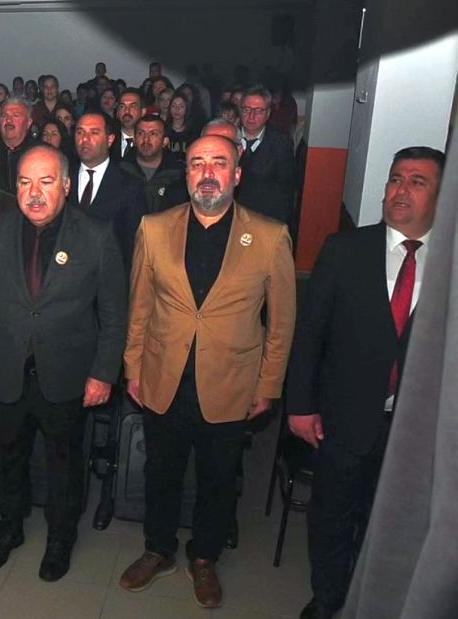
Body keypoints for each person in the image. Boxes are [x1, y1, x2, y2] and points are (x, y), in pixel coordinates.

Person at [119, 135, 296, 609]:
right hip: (164, 377)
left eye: (219, 163)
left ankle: (205, 557)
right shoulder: (154, 228)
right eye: (197, 164)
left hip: (231, 383)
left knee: (218, 479)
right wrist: (133, 367)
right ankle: (158, 549)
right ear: (187, 175)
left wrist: (269, 384)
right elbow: (139, 307)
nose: (207, 173)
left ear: (237, 174)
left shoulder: (270, 236)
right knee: (161, 472)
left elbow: (281, 323)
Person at [286, 146, 444, 619]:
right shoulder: (345, 250)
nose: (401, 190)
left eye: (417, 182)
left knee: (392, 524)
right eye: (396, 179)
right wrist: (301, 405)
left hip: (417, 432)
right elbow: (310, 333)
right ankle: (328, 599)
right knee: (332, 516)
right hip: (343, 418)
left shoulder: (451, 264)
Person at [0, 144, 127, 582]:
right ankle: (9, 528)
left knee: (65, 465)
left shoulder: (96, 236)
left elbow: (114, 315)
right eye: (24, 182)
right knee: (8, 459)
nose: (34, 192)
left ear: (67, 186)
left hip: (68, 375)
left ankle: (61, 538)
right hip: (7, 372)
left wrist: (103, 374)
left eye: (46, 181)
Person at [69, 112, 146, 268]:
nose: (85, 139)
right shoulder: (63, 178)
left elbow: (134, 243)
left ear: (110, 140)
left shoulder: (130, 185)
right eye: (80, 132)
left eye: (94, 133)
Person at [237, 85, 295, 225]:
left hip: (264, 219)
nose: (251, 116)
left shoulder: (280, 144)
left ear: (268, 113)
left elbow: (286, 191)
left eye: (258, 111)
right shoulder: (228, 138)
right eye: (247, 110)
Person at [120, 114, 188, 214]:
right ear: (134, 139)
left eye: (153, 134)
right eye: (140, 133)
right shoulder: (120, 171)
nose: (146, 139)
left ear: (165, 141)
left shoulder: (179, 175)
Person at [0, 97, 41, 193]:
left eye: (16, 116)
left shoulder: (40, 153)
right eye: (4, 116)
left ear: (28, 123)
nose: (8, 120)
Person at [114, 89, 143, 161]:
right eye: (122, 106)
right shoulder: (107, 141)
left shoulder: (149, 141)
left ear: (143, 111)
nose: (126, 111)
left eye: (132, 106)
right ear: (117, 112)